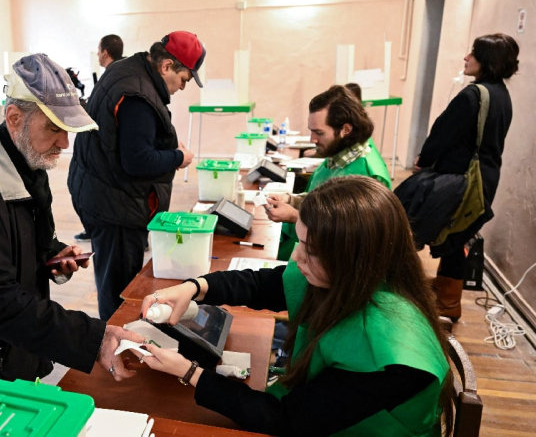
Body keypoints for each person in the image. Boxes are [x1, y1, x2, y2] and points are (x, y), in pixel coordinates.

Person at [135, 176, 454, 436]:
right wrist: (194, 287)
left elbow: (286, 420)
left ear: (354, 259)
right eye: (300, 242)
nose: (297, 258)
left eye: (311, 250)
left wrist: (189, 371)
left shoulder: (390, 359)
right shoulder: (356, 275)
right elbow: (262, 285)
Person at [0, 53, 143, 395]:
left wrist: (50, 255)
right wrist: (95, 339)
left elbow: (16, 238)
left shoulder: (26, 166)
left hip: (12, 344)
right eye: (54, 128)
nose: (65, 143)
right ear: (13, 117)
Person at [68, 31, 201, 321]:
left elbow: (130, 141)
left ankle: (114, 341)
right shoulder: (138, 95)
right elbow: (137, 161)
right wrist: (180, 158)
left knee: (112, 281)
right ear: (166, 66)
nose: (181, 88)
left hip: (102, 192)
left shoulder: (128, 70)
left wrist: (166, 146)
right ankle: (113, 350)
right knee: (119, 289)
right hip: (115, 205)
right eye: (183, 80)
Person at [414, 33, 518, 321]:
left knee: (423, 226)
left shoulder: (473, 95)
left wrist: (423, 161)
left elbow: (443, 133)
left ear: (487, 61)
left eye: (473, 53)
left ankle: (447, 303)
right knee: (457, 236)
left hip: (462, 179)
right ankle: (446, 294)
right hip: (485, 178)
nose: (466, 57)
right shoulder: (501, 95)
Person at [268, 85, 391, 261]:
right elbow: (318, 199)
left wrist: (295, 217)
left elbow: (351, 237)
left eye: (319, 132)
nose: (312, 139)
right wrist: (290, 199)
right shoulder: (337, 154)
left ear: (345, 130)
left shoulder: (368, 175)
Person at [75, 34, 125, 243]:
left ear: (105, 53)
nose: (97, 55)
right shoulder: (117, 76)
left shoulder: (116, 78)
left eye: (98, 51)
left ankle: (96, 229)